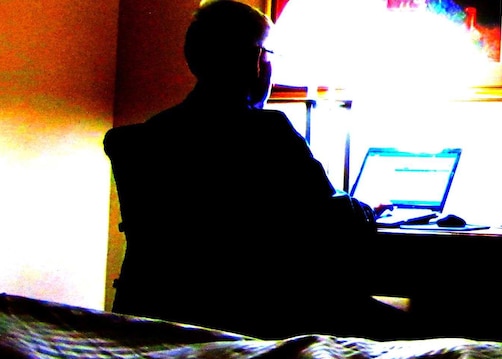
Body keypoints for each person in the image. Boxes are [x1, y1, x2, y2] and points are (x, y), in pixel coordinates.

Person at [106, 0, 411, 340]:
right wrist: (367, 208)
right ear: (255, 60)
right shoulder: (267, 132)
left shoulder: (148, 136)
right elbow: (336, 218)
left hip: (163, 317)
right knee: (418, 326)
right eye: (271, 55)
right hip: (258, 316)